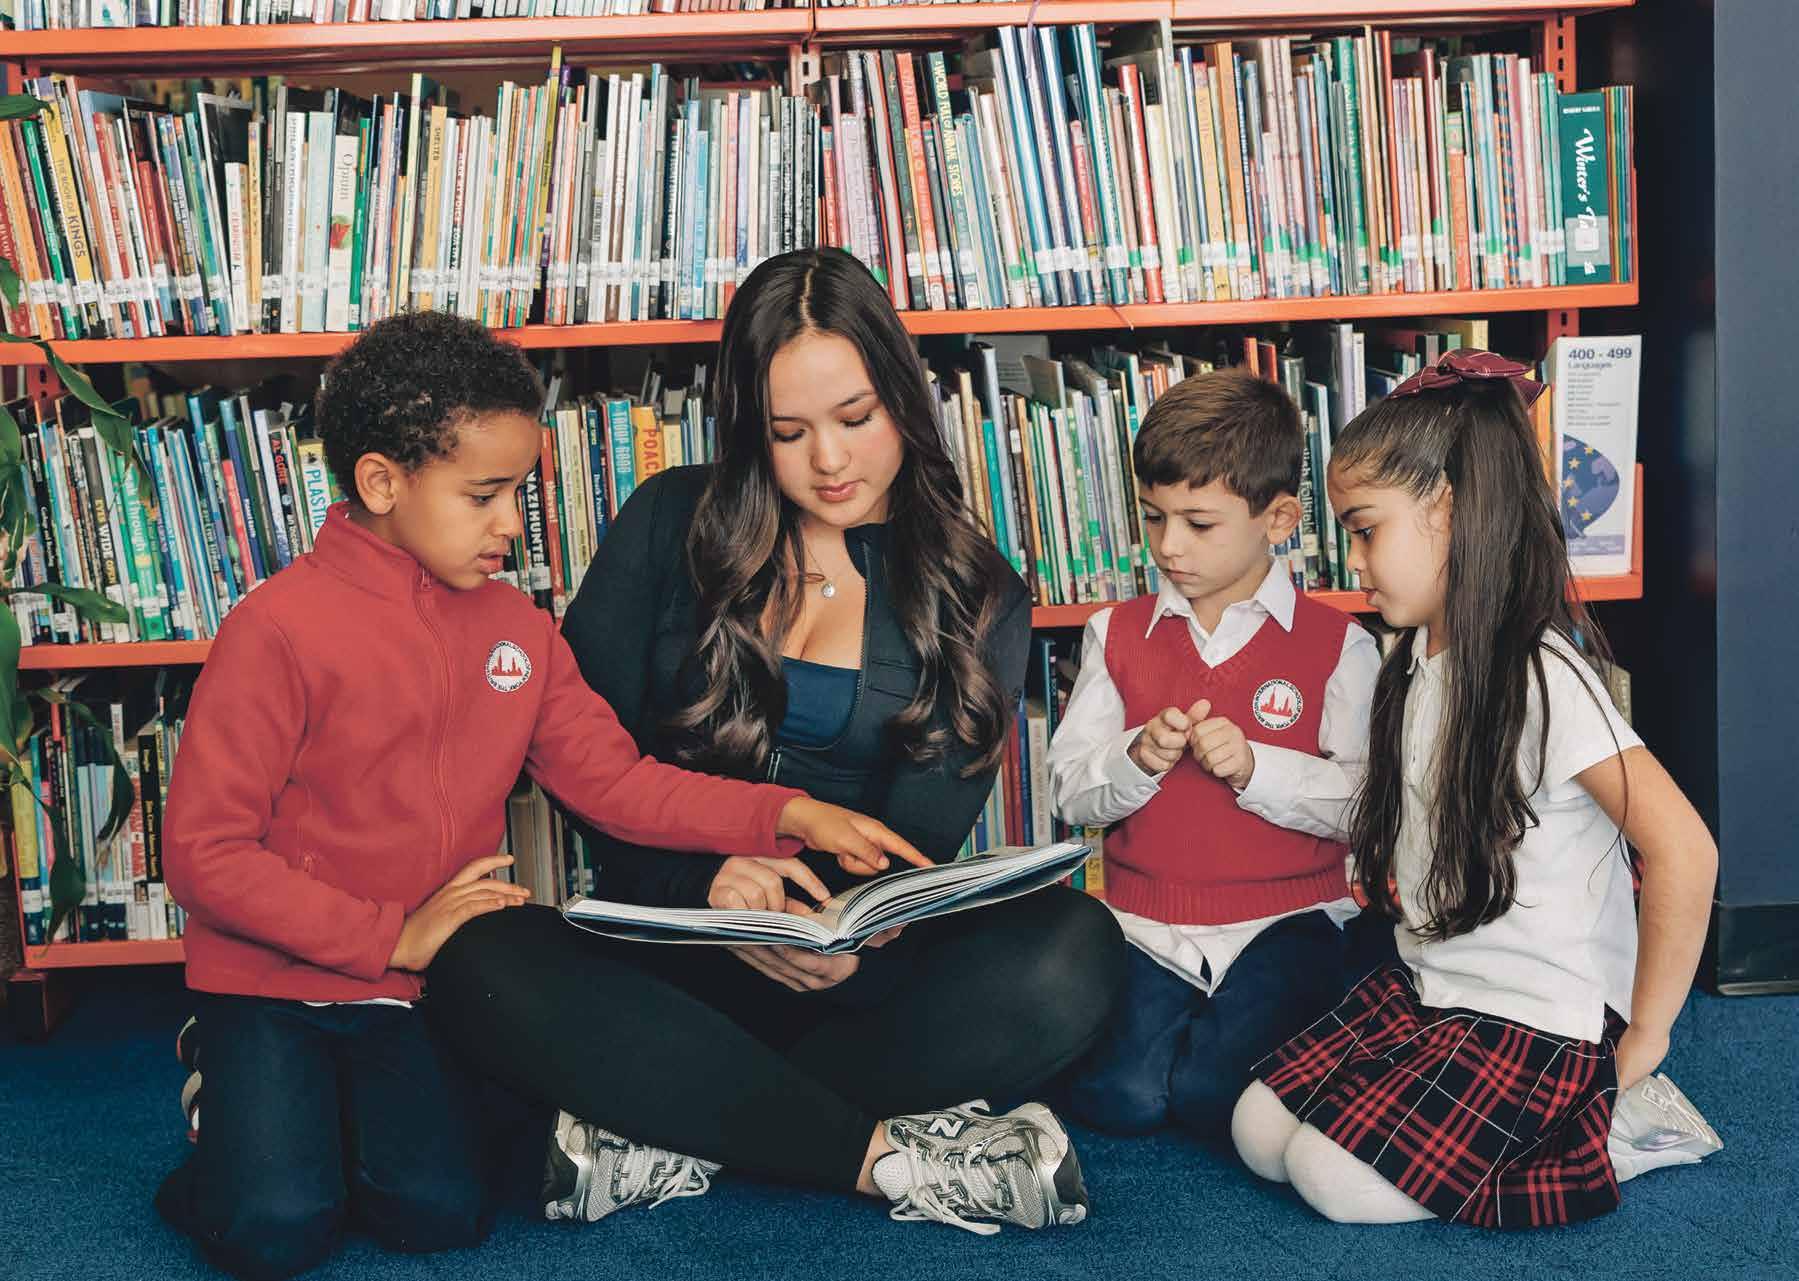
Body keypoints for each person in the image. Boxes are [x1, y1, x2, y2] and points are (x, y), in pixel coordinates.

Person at [153, 310, 928, 1281]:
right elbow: (204, 856)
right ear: (382, 484)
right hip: (273, 982)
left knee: (436, 1215)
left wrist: (782, 814)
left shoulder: (518, 631)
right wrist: (391, 934)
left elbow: (612, 781)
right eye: (483, 495)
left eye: (518, 491)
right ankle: (224, 1097)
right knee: (277, 1230)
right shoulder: (273, 631)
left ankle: (312, 1117)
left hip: (407, 990)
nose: (512, 523)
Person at [422, 248, 1126, 1235]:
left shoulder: (978, 593)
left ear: (903, 401)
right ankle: (881, 1158)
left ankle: (662, 1117)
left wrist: (838, 938)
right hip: (661, 955)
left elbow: (910, 849)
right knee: (477, 953)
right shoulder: (668, 518)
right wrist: (705, 887)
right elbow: (583, 765)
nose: (829, 462)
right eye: (788, 433)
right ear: (750, 428)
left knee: (1075, 950)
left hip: (845, 980)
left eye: (855, 419)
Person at [1230, 350, 1720, 1227]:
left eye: (1365, 530)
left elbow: (1683, 847)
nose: (1354, 561)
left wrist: (1646, 1033)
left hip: (1539, 1021)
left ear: (1449, 513)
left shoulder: (1542, 676)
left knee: (1326, 1178)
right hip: (1434, 987)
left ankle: (1602, 1130)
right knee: (1257, 1132)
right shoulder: (1413, 660)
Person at [1047, 369, 1380, 1141]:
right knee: (1120, 1099)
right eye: (1153, 516)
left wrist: (1258, 769)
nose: (1168, 546)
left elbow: (1369, 805)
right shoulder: (1113, 634)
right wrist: (1134, 758)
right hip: (1144, 926)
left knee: (1212, 1098)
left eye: (1198, 523)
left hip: (1287, 922)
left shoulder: (1339, 645)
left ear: (1279, 518)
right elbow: (1067, 792)